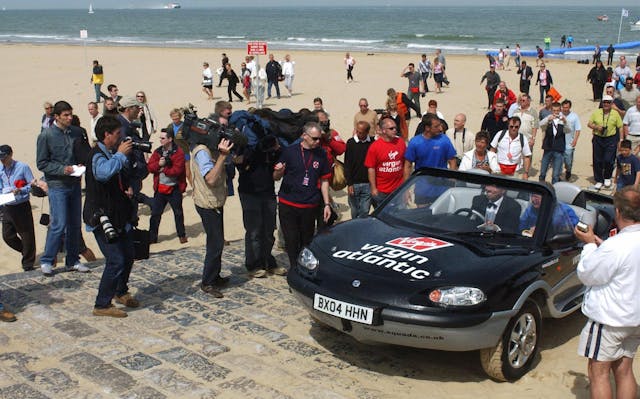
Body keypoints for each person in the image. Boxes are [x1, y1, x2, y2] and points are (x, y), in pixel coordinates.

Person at [574, 187, 640, 399]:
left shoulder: (615, 246)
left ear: (618, 212)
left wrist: (589, 245)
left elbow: (587, 273)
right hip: (634, 319)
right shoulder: (618, 245)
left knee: (598, 373)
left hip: (611, 319)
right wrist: (601, 246)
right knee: (624, 369)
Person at [84, 116, 138, 318]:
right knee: (115, 259)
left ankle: (120, 291)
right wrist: (121, 156)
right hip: (102, 217)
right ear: (107, 135)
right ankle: (101, 304)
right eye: (117, 134)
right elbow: (103, 174)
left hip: (118, 215)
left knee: (129, 255)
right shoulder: (97, 155)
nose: (120, 138)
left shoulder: (110, 153)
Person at [36, 101, 89, 277]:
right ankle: (47, 260)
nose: (69, 118)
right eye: (65, 115)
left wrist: (80, 164)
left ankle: (72, 260)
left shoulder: (76, 132)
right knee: (58, 224)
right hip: (57, 186)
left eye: (70, 114)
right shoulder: (46, 135)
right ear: (56, 117)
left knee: (75, 224)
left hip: (74, 184)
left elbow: (81, 153)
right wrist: (61, 169)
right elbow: (42, 163)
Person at [273, 122, 331, 269]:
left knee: (307, 240)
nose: (318, 142)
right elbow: (275, 176)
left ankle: (304, 268)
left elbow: (324, 180)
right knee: (291, 240)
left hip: (309, 204)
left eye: (320, 139)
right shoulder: (290, 151)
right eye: (315, 138)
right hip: (289, 203)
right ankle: (294, 268)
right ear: (304, 136)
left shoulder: (321, 154)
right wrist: (279, 171)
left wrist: (327, 204)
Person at [191, 115, 234, 298]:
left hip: (214, 201)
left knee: (217, 240)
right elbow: (210, 178)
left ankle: (215, 276)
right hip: (207, 203)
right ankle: (207, 282)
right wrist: (223, 156)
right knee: (215, 243)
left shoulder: (210, 148)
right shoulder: (202, 152)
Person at [237, 134, 283, 278]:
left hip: (268, 192)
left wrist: (279, 162)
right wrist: (251, 151)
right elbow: (239, 164)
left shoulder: (272, 149)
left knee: (269, 230)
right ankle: (253, 265)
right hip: (249, 193)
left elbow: (276, 174)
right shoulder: (247, 148)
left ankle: (268, 261)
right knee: (253, 231)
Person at [147, 128, 187, 244]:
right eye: (160, 138)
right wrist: (158, 165)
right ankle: (152, 237)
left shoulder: (178, 152)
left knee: (178, 213)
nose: (160, 140)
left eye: (163, 138)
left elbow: (177, 170)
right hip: (160, 188)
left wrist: (163, 168)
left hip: (174, 188)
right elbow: (150, 167)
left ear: (170, 139)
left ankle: (181, 235)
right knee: (155, 214)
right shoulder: (158, 152)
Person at [0, 145, 36, 271]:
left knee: (27, 234)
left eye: (4, 157)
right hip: (7, 206)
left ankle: (28, 263)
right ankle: (26, 251)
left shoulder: (22, 167)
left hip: (21, 205)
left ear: (11, 155)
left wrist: (19, 190)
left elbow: (32, 185)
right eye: (0, 158)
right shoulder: (0, 169)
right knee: (7, 236)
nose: (2, 160)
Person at [364, 117, 406, 207]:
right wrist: (373, 188)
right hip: (382, 191)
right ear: (383, 130)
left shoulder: (401, 142)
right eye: (391, 128)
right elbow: (371, 168)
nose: (394, 130)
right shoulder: (375, 147)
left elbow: (406, 164)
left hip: (399, 189)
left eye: (395, 128)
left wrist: (406, 186)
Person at [404, 113, 457, 181]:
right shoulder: (415, 142)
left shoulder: (444, 140)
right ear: (427, 128)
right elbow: (408, 165)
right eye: (436, 126)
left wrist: (451, 180)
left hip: (442, 185)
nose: (440, 129)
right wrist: (406, 187)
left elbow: (452, 161)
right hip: (422, 185)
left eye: (440, 125)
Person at [588, 94, 624, 190]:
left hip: (611, 138)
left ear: (611, 103)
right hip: (598, 138)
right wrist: (596, 127)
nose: (606, 104)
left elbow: (620, 127)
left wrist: (621, 140)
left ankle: (607, 176)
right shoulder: (597, 112)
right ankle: (599, 179)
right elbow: (589, 124)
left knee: (609, 159)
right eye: (604, 102)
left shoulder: (615, 113)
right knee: (597, 160)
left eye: (608, 102)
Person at [345, 121, 373, 219]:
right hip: (354, 183)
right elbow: (347, 164)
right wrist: (349, 183)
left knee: (365, 210)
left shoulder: (372, 142)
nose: (358, 134)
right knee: (354, 210)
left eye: (361, 132)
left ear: (367, 132)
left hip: (368, 183)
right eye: (357, 131)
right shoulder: (351, 143)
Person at [538, 102, 568, 184]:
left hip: (558, 149)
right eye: (554, 110)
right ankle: (540, 188)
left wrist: (565, 122)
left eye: (558, 110)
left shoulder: (563, 119)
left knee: (555, 175)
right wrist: (548, 120)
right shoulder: (548, 118)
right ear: (551, 110)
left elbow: (568, 130)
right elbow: (539, 125)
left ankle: (553, 191)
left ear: (560, 110)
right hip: (548, 148)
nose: (556, 112)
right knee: (543, 172)